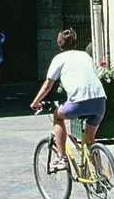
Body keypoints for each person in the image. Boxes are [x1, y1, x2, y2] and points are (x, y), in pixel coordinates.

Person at [30, 28, 106, 168]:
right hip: (100, 100)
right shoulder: (85, 55)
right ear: (75, 43)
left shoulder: (59, 58)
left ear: (59, 45)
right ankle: (100, 174)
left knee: (58, 116)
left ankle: (61, 158)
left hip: (78, 101)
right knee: (90, 140)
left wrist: (35, 102)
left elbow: (48, 85)